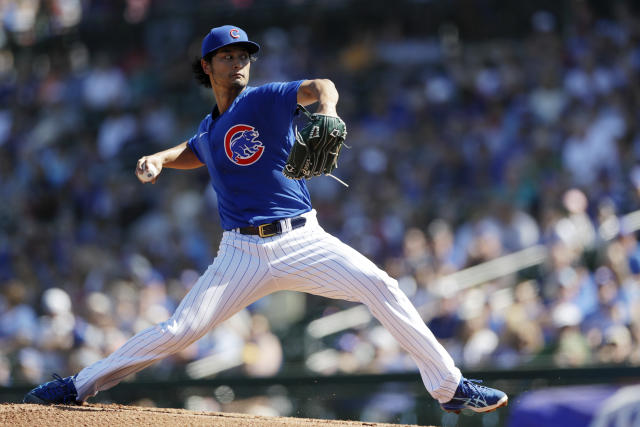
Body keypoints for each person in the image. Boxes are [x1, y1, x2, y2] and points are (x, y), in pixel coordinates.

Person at [23, 24, 507, 414]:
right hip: (241, 253)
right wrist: (159, 157)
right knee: (178, 331)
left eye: (243, 55)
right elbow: (195, 150)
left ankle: (451, 388)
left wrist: (330, 110)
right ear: (207, 66)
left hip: (302, 238)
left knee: (382, 286)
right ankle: (77, 386)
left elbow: (322, 87)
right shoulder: (211, 126)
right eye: (228, 56)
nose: (238, 62)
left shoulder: (263, 99)